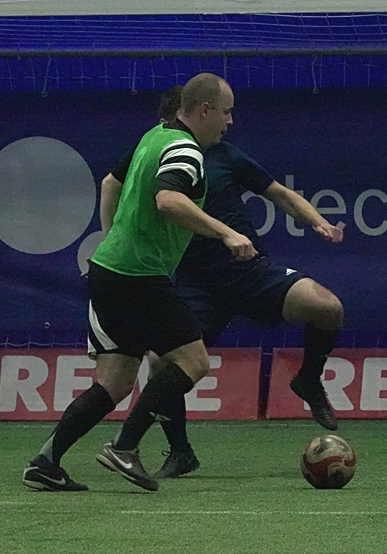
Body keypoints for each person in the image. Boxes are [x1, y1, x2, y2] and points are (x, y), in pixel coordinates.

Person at [23, 73, 254, 493]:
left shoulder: (155, 135)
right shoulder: (185, 149)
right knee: (194, 361)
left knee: (114, 383)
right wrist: (226, 232)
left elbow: (110, 182)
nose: (230, 121)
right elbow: (169, 200)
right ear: (204, 110)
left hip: (110, 269)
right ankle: (124, 446)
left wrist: (113, 236)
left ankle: (45, 462)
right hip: (138, 275)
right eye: (226, 112)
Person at [103, 87, 344, 479]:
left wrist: (319, 222)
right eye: (226, 112)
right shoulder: (158, 150)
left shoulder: (224, 155)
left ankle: (308, 379)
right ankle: (180, 451)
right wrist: (112, 237)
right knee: (161, 361)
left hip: (249, 271)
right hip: (195, 283)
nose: (230, 121)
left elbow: (280, 194)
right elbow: (111, 185)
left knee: (328, 308)